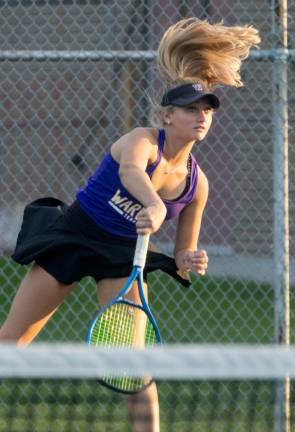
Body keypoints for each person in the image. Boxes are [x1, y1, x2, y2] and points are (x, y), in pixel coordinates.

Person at [0, 17, 260, 432]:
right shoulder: (142, 139)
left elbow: (179, 255)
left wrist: (190, 259)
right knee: (11, 343)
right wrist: (154, 204)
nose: (201, 116)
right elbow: (131, 175)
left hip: (125, 257)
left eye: (207, 109)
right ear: (167, 115)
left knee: (134, 365)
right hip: (75, 233)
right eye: (191, 109)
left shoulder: (197, 185)